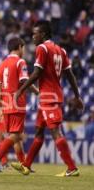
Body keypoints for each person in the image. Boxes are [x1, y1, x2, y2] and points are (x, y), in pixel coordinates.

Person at [12, 20, 84, 177]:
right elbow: (70, 75)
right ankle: (27, 165)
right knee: (38, 131)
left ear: (43, 34)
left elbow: (37, 73)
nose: (32, 36)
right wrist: (77, 96)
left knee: (55, 132)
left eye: (35, 33)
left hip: (48, 97)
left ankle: (72, 167)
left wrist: (20, 91)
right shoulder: (61, 50)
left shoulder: (42, 48)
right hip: (51, 95)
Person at [0, 37, 38, 172]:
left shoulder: (2, 64)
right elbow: (24, 81)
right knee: (16, 136)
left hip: (5, 104)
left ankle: (23, 164)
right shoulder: (20, 61)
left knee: (16, 135)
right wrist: (37, 91)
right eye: (24, 47)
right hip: (17, 102)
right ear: (20, 47)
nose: (24, 50)